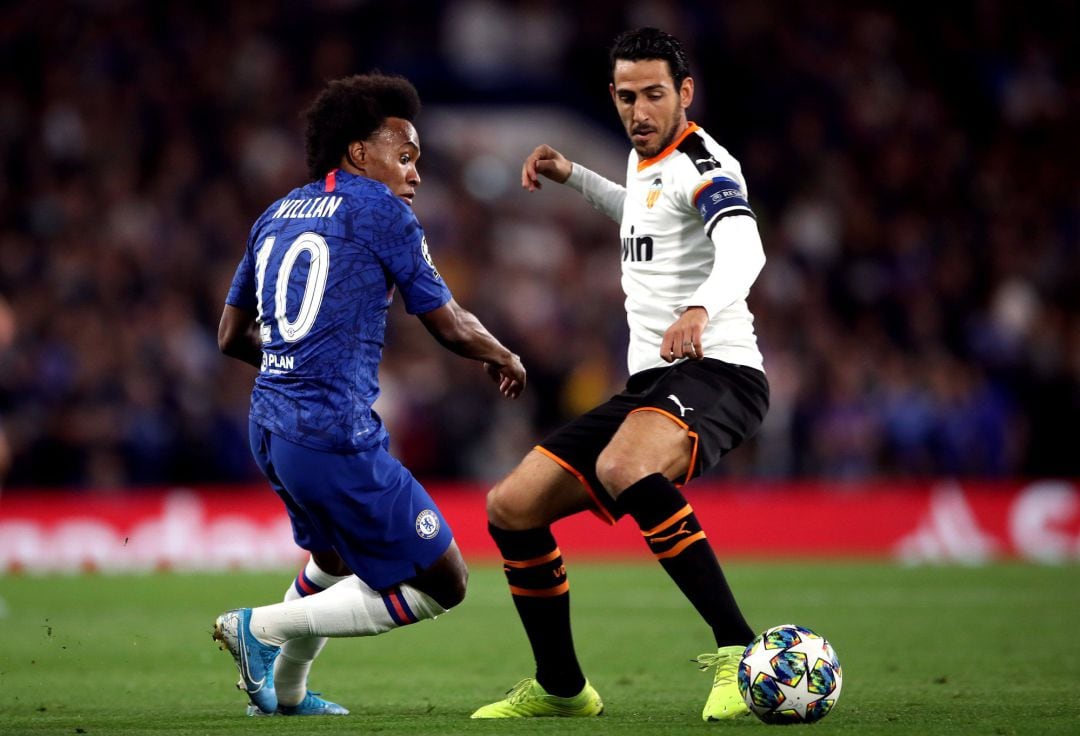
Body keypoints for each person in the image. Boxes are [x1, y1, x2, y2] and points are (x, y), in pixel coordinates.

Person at [471, 27, 769, 722]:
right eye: (628, 96)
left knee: (625, 465)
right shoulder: (646, 163)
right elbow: (641, 213)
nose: (640, 110)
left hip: (719, 372)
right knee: (511, 508)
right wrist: (575, 176)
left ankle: (737, 653)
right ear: (612, 95)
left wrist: (699, 308)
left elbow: (745, 247)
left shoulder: (702, 162)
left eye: (655, 95)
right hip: (652, 385)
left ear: (685, 93)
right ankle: (562, 688)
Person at [214, 72, 526, 717]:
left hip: (270, 428)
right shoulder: (383, 212)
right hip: (331, 432)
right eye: (404, 155)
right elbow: (449, 323)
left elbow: (229, 335)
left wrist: (288, 362)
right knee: (445, 583)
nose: (414, 174)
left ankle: (287, 696)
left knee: (329, 560)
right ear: (359, 152)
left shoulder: (274, 213)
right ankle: (262, 628)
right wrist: (501, 353)